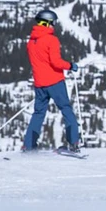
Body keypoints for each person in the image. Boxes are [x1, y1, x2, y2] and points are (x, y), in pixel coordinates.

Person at [23, 9, 81, 152]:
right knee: (66, 109)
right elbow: (56, 62)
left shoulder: (31, 42)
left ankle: (29, 145)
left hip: (39, 84)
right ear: (47, 23)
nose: (54, 26)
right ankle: (73, 143)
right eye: (53, 23)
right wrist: (71, 66)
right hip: (55, 82)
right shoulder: (51, 40)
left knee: (38, 113)